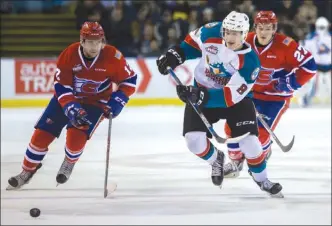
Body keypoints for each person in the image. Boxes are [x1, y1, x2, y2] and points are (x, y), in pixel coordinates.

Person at [157, 11, 283, 196]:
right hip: (201, 90)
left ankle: (262, 180)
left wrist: (199, 96)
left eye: (236, 33)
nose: (230, 37)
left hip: (235, 101)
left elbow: (229, 96)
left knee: (250, 143)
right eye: (227, 32)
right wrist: (176, 55)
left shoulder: (250, 62)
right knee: (193, 141)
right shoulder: (210, 31)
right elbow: (191, 45)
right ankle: (216, 159)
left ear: (244, 33)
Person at [7, 22, 137, 189]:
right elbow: (61, 86)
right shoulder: (69, 54)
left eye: (98, 41)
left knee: (76, 138)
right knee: (41, 136)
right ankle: (27, 171)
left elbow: (129, 80)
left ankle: (69, 162)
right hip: (66, 100)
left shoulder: (113, 57)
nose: (95, 46)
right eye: (90, 41)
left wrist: (119, 99)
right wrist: (70, 106)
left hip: (95, 103)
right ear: (82, 41)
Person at [223, 11, 317, 178]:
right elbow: (228, 62)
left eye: (268, 28)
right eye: (260, 28)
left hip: (275, 98)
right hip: (250, 94)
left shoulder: (287, 45)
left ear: (274, 29)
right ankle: (235, 162)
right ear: (255, 28)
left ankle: (260, 156)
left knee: (260, 135)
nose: (263, 32)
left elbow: (310, 66)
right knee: (231, 128)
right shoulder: (245, 41)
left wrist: (290, 83)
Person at [301, 17, 331, 107]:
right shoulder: (311, 38)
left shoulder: (330, 37)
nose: (321, 30)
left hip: (329, 65)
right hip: (316, 65)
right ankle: (305, 99)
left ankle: (306, 99)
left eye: (323, 27)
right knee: (314, 87)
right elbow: (306, 51)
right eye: (320, 27)